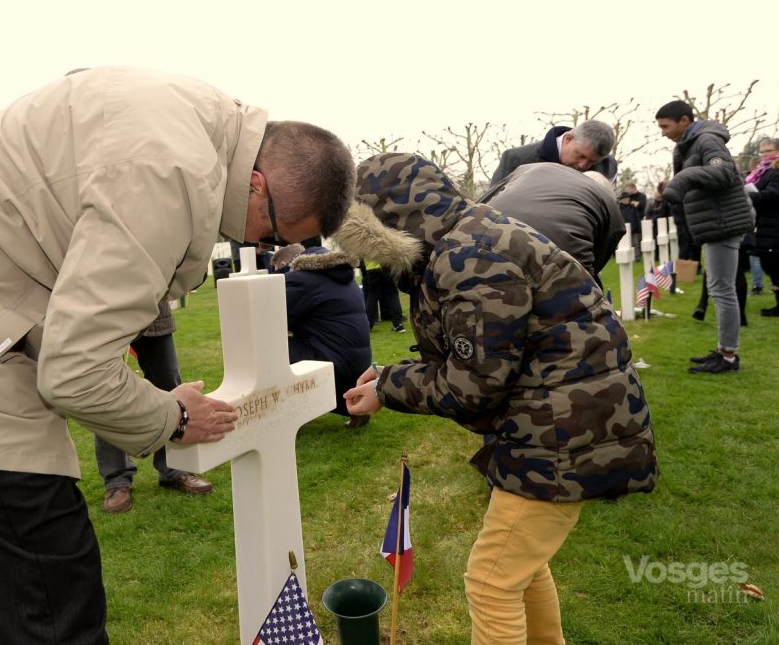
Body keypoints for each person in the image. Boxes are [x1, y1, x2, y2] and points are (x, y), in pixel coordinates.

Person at [0, 66, 355, 643]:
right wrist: (172, 418)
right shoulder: (173, 174)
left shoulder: (196, 121)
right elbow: (74, 374)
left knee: (15, 579)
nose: (257, 246)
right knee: (48, 578)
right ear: (257, 186)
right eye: (272, 235)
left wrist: (149, 400)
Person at [336, 153, 657, 644]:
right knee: (520, 568)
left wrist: (386, 388)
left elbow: (473, 384)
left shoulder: (470, 259)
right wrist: (388, 376)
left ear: (385, 223)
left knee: (490, 581)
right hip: (563, 419)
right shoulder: (468, 238)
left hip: (560, 431)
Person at [656, 100, 753, 374]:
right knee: (719, 289)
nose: (663, 132)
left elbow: (723, 171)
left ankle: (728, 357)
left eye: (666, 126)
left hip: (723, 223)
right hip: (716, 224)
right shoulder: (692, 144)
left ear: (684, 120)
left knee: (722, 291)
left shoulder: (707, 140)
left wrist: (684, 178)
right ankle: (725, 350)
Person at [97, 301, 213, 514]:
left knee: (168, 382)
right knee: (107, 395)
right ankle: (116, 481)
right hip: (104, 314)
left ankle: (174, 469)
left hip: (153, 311)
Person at [269, 243, 372, 428]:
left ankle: (283, 416)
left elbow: (276, 319)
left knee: (269, 347)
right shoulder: (340, 275)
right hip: (356, 367)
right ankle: (353, 405)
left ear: (285, 263)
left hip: (333, 364)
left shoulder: (302, 279)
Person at [480, 163, 625, 288]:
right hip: (554, 262)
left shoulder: (529, 172)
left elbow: (483, 202)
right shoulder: (608, 205)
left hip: (481, 240)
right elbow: (599, 257)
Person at [486, 119, 617, 192]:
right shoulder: (516, 159)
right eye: (580, 156)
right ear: (568, 138)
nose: (583, 166)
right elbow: (492, 206)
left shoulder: (608, 166)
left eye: (592, 162)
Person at [747, 136, 779, 316]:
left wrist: (751, 196)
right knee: (770, 265)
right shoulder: (761, 171)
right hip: (765, 224)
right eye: (762, 152)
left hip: (775, 224)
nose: (764, 155)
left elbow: (774, 194)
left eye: (769, 151)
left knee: (774, 264)